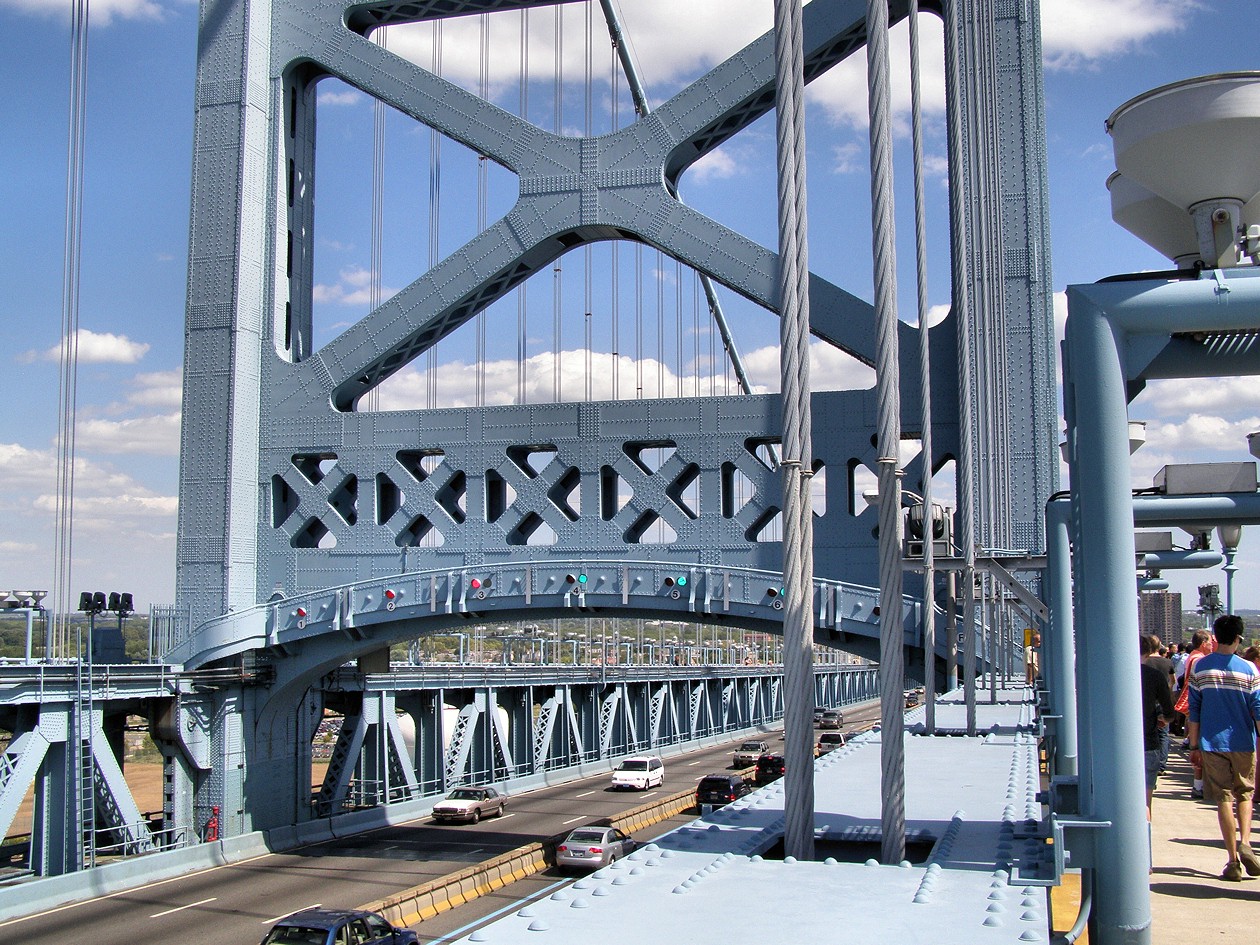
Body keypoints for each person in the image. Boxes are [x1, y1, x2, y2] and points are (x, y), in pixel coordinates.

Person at [1187, 614, 1260, 882]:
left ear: (1215, 637)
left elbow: (1195, 709)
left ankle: (1232, 861)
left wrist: (1193, 744)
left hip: (1211, 741)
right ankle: (1246, 842)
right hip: (1243, 741)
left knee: (1223, 799)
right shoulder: (1250, 669)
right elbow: (1258, 709)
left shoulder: (1201, 668)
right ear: (1239, 638)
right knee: (1245, 794)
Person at [1175, 629, 1213, 794]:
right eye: (1210, 643)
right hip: (1199, 704)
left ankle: (1199, 785)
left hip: (1194, 703)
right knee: (1198, 746)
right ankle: (1199, 785)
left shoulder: (1193, 657)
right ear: (1203, 643)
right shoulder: (1200, 659)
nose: (1212, 646)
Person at [1140, 634, 1174, 818]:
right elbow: (1169, 712)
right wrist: (1163, 719)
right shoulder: (1154, 676)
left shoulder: (1111, 675)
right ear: (1148, 652)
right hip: (1148, 741)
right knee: (1145, 800)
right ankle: (1144, 841)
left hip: (1116, 746)